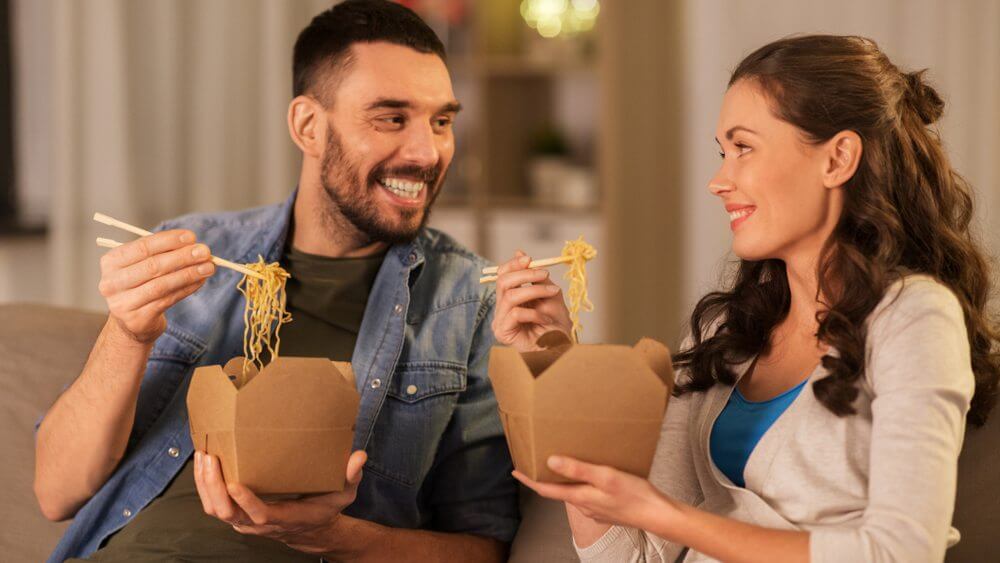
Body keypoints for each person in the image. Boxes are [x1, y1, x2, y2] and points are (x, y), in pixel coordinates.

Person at [34, 2, 525, 560]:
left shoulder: (470, 301)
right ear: (308, 126)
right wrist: (126, 334)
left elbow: (485, 549)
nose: (427, 152)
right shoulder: (197, 251)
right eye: (392, 118)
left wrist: (331, 537)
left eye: (441, 121)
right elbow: (55, 491)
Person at [494, 35, 999, 562]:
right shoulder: (723, 333)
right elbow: (633, 557)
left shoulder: (914, 318)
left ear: (838, 158)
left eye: (743, 148)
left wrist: (663, 515)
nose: (718, 180)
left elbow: (903, 551)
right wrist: (553, 359)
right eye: (722, 153)